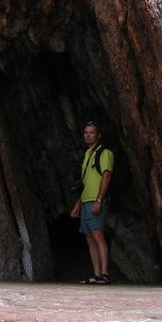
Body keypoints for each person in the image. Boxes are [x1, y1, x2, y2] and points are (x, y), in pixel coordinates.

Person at [70, 120, 114, 284]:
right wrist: (78, 204)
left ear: (99, 135)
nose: (88, 135)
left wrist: (99, 200)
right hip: (86, 200)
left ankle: (105, 274)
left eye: (92, 133)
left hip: (96, 201)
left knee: (97, 234)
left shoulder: (105, 153)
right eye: (86, 133)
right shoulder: (88, 154)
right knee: (89, 237)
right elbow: (86, 181)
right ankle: (96, 274)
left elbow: (107, 175)